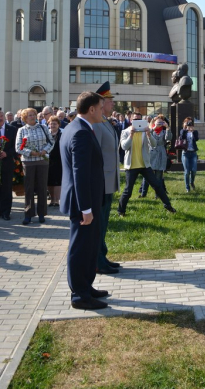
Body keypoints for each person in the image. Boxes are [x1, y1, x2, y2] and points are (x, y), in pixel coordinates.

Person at [59, 91, 109, 310]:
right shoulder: (80, 132)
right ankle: (80, 296)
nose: (103, 111)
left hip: (86, 201)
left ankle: (86, 287)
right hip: (82, 203)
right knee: (80, 248)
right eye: (101, 107)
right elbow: (79, 173)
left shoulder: (76, 127)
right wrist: (86, 209)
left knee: (89, 247)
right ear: (91, 109)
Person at [118, 113, 176, 215]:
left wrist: (149, 134)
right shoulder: (125, 132)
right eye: (135, 120)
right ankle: (121, 211)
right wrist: (131, 135)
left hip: (145, 165)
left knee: (157, 186)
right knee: (128, 190)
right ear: (131, 120)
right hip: (131, 166)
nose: (137, 122)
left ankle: (168, 205)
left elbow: (154, 144)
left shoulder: (145, 131)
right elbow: (124, 147)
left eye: (139, 120)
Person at [93, 81, 121, 275]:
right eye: (110, 100)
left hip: (109, 181)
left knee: (104, 222)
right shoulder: (97, 124)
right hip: (102, 181)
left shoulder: (105, 122)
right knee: (99, 223)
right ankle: (97, 261)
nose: (113, 103)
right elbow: (95, 155)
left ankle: (102, 256)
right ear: (101, 103)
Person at [16, 108, 54, 225]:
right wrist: (30, 152)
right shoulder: (22, 130)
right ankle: (28, 214)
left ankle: (42, 213)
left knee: (42, 187)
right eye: (30, 115)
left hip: (42, 160)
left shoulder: (43, 128)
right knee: (29, 188)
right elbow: (18, 147)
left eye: (34, 114)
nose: (33, 117)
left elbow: (51, 142)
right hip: (28, 162)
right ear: (25, 118)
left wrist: (44, 151)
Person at [140, 115, 172, 197]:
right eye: (158, 122)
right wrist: (154, 128)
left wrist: (167, 128)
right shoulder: (151, 130)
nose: (160, 124)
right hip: (151, 153)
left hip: (161, 154)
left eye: (161, 122)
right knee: (147, 175)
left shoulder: (164, 131)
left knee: (158, 176)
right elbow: (146, 136)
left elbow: (168, 138)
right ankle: (143, 193)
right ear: (154, 122)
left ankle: (157, 194)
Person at [0, 110, 17, 220]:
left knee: (6, 188)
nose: (0, 118)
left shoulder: (12, 129)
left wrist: (7, 153)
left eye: (1, 115)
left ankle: (6, 212)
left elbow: (16, 147)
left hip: (7, 163)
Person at [179, 118, 199, 192]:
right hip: (185, 153)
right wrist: (186, 129)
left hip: (193, 153)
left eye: (191, 125)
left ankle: (192, 182)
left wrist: (192, 132)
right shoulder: (183, 131)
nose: (190, 126)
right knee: (187, 171)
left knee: (194, 170)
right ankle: (187, 187)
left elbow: (196, 139)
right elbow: (182, 137)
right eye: (188, 125)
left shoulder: (195, 132)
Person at [47, 116, 63, 207]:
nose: (52, 125)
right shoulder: (46, 133)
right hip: (48, 159)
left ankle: (57, 200)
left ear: (58, 125)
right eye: (51, 123)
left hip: (59, 159)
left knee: (57, 180)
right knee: (49, 180)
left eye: (54, 124)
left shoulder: (62, 133)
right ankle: (52, 199)